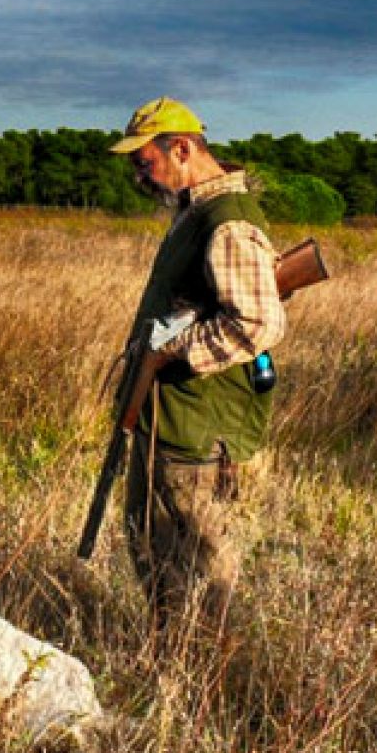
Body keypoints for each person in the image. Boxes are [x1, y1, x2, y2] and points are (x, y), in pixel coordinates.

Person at [109, 97, 286, 637]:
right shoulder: (195, 210)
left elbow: (258, 322)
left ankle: (208, 668)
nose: (140, 176)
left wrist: (175, 351)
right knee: (151, 539)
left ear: (180, 148)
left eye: (145, 162)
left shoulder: (227, 223)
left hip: (198, 426)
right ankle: (170, 650)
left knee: (202, 559)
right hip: (171, 416)